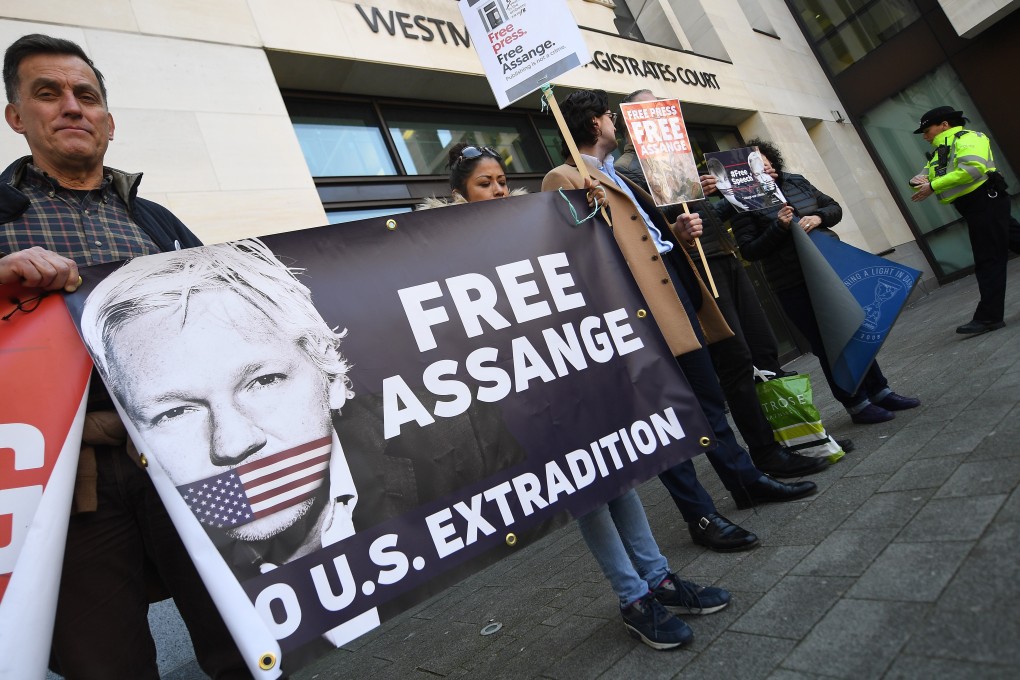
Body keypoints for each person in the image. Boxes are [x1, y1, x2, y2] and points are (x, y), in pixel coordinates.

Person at [0, 34, 246, 678]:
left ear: (109, 121)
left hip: (188, 458)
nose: (72, 107)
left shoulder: (158, 220)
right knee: (103, 660)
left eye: (87, 95)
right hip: (67, 480)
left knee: (245, 628)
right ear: (16, 118)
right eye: (48, 94)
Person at [420, 142, 732, 649]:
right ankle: (634, 599)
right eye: (483, 183)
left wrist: (587, 209)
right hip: (523, 390)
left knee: (619, 476)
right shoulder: (442, 246)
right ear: (458, 194)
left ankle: (659, 581)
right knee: (588, 494)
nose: (497, 189)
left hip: (572, 373)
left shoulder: (531, 223)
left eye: (501, 179)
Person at [542, 90, 818, 545]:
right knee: (665, 416)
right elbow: (576, 253)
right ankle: (701, 517)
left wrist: (679, 233)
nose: (616, 122)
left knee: (708, 400)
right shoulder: (564, 177)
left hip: (675, 290)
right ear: (594, 123)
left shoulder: (621, 175)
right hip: (636, 309)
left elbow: (644, 238)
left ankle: (745, 480)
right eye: (609, 116)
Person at [615, 89, 846, 474]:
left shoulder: (675, 157)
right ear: (631, 122)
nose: (663, 112)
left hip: (724, 257)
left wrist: (722, 193)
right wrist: (681, 207)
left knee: (763, 349)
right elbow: (648, 229)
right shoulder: (626, 168)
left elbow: (711, 215)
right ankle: (766, 453)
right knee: (736, 360)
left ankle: (799, 440)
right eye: (651, 107)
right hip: (698, 268)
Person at [731, 139, 921, 425]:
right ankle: (856, 404)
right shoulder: (744, 200)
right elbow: (749, 250)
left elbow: (834, 208)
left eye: (765, 160)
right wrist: (779, 227)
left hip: (831, 267)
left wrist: (818, 217)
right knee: (829, 343)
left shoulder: (796, 181)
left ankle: (881, 391)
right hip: (793, 281)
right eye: (755, 163)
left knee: (857, 328)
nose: (764, 166)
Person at [908, 106, 1013, 335]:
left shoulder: (968, 138)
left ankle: (989, 318)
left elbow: (972, 170)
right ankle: (989, 317)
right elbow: (924, 175)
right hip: (977, 206)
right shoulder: (941, 151)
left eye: (927, 130)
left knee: (989, 260)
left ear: (944, 125)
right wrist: (917, 181)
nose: (925, 136)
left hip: (985, 201)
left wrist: (933, 186)